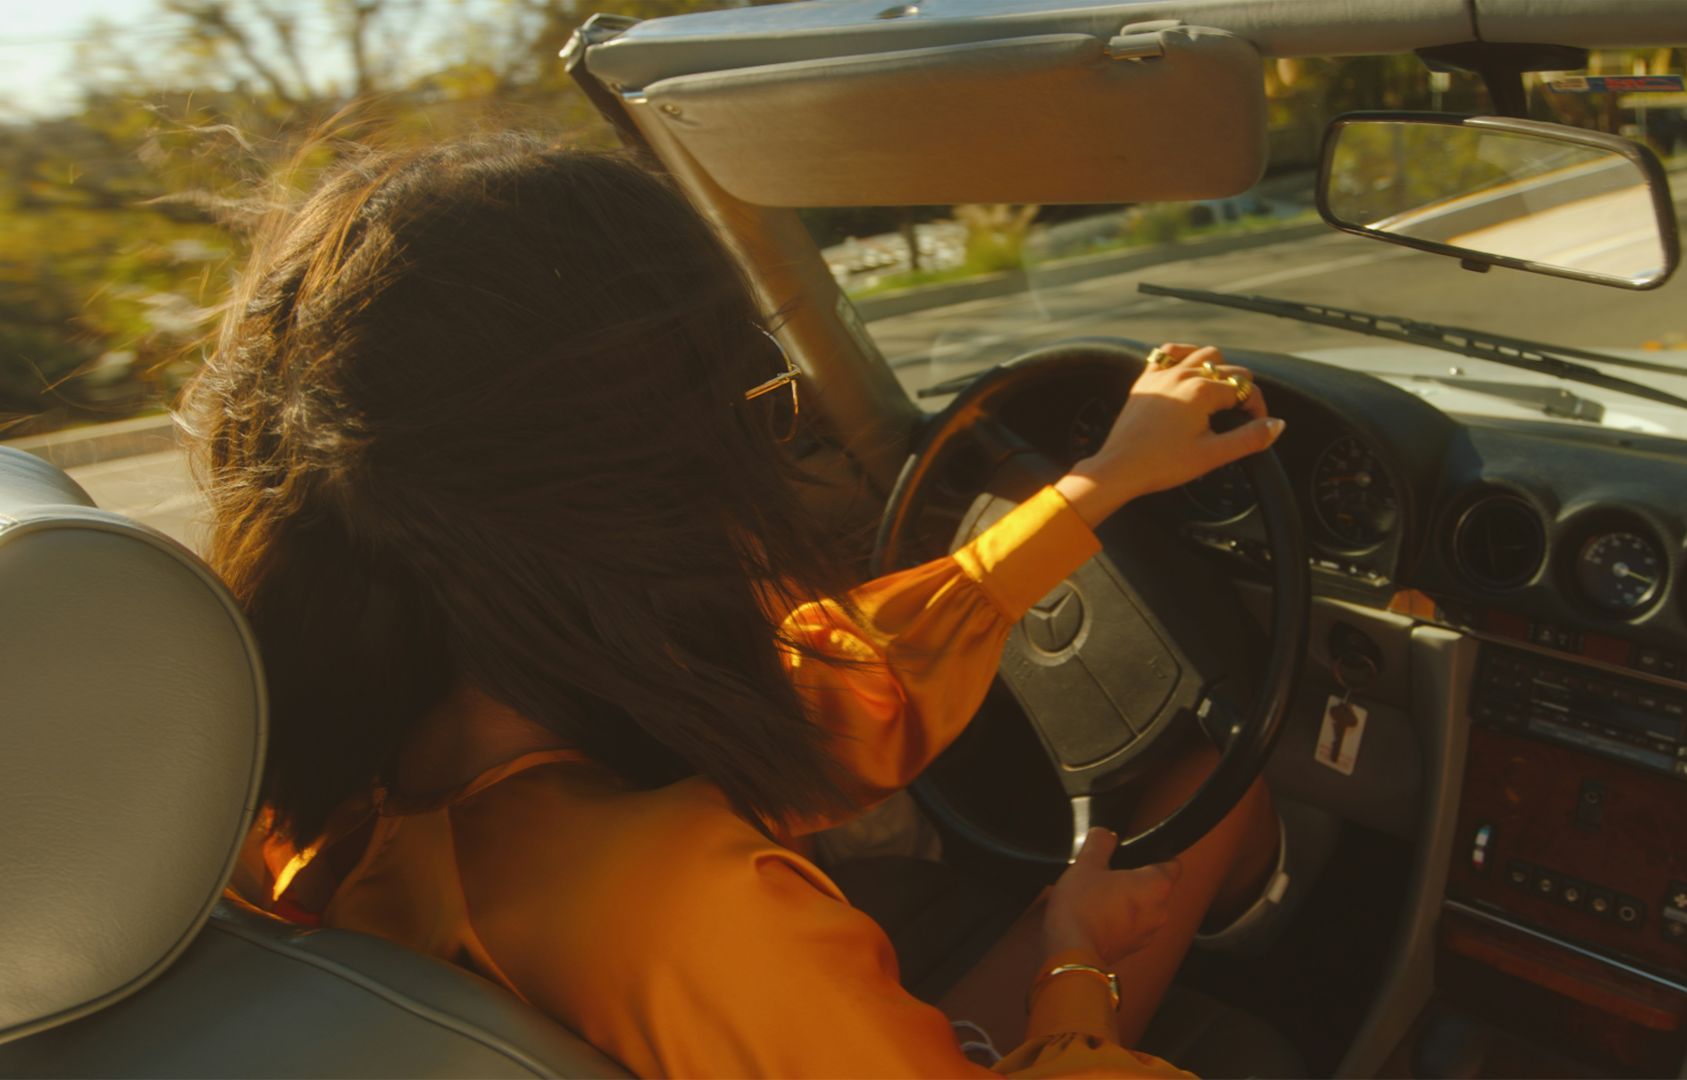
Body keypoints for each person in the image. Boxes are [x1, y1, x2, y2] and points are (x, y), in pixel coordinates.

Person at [197, 134, 1290, 1077]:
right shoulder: (685, 909)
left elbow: (825, 694)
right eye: (757, 402)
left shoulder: (322, 799)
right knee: (1213, 801)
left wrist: (1099, 486)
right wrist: (1076, 958)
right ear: (649, 474)